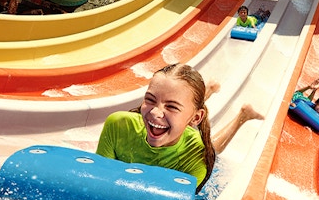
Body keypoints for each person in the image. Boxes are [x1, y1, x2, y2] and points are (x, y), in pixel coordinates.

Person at [96, 63, 261, 191]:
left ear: (196, 118)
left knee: (212, 149)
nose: (155, 112)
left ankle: (243, 116)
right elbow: (99, 180)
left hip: (188, 132)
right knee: (180, 109)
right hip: (180, 120)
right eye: (150, 99)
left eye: (171, 107)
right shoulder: (118, 125)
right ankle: (207, 90)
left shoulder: (196, 155)